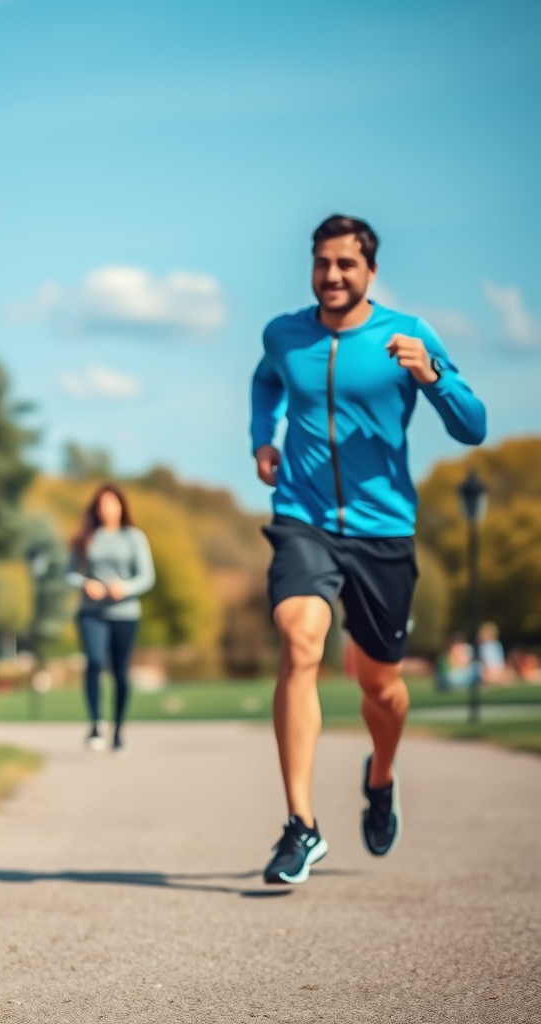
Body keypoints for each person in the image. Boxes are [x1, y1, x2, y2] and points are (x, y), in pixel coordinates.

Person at [250, 214, 486, 885]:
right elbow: (266, 381)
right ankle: (301, 826)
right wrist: (261, 437)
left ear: (370, 271)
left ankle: (380, 777)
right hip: (303, 519)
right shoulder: (284, 334)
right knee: (300, 643)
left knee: (382, 686)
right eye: (323, 263)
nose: (332, 276)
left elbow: (474, 425)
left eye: (346, 265)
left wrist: (434, 374)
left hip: (383, 530)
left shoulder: (407, 336)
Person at [66, 484, 155, 752]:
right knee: (93, 662)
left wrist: (125, 588)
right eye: (102, 504)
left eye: (112, 503)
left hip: (124, 613)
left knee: (120, 672)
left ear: (121, 506)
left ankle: (118, 731)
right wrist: (85, 584)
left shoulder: (134, 537)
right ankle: (96, 724)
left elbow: (147, 577)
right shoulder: (86, 537)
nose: (107, 509)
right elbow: (69, 573)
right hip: (91, 613)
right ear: (96, 508)